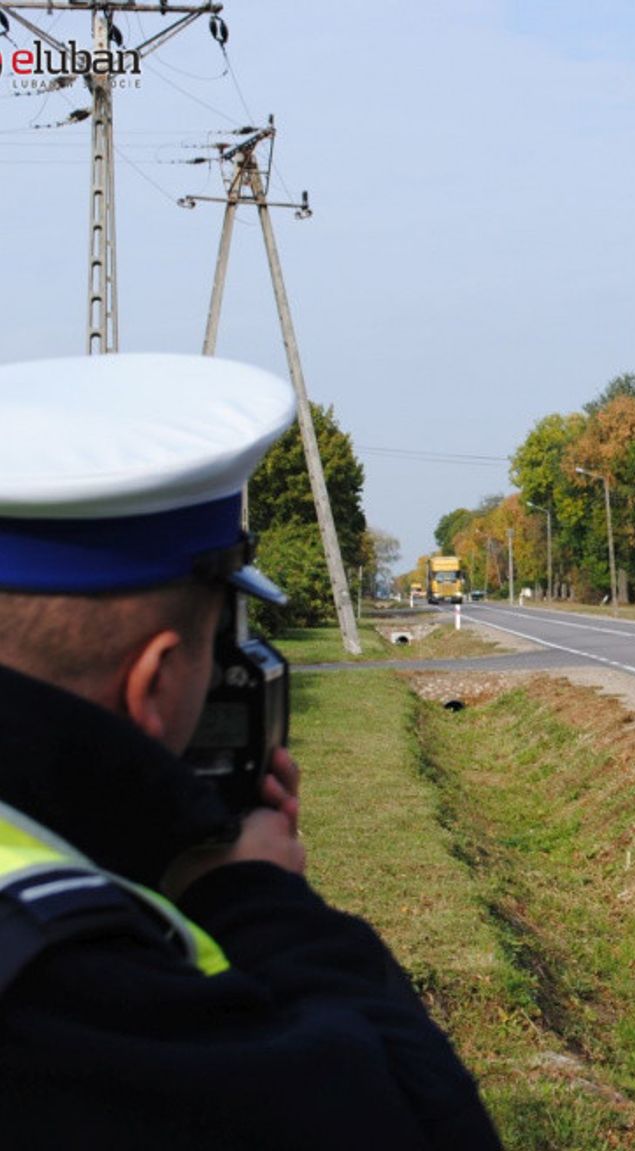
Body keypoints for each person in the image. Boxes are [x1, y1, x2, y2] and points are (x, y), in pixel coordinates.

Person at [0, 354, 501, 1149]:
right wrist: (252, 896)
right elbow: (413, 1117)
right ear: (156, 682)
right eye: (217, 645)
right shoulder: (71, 981)